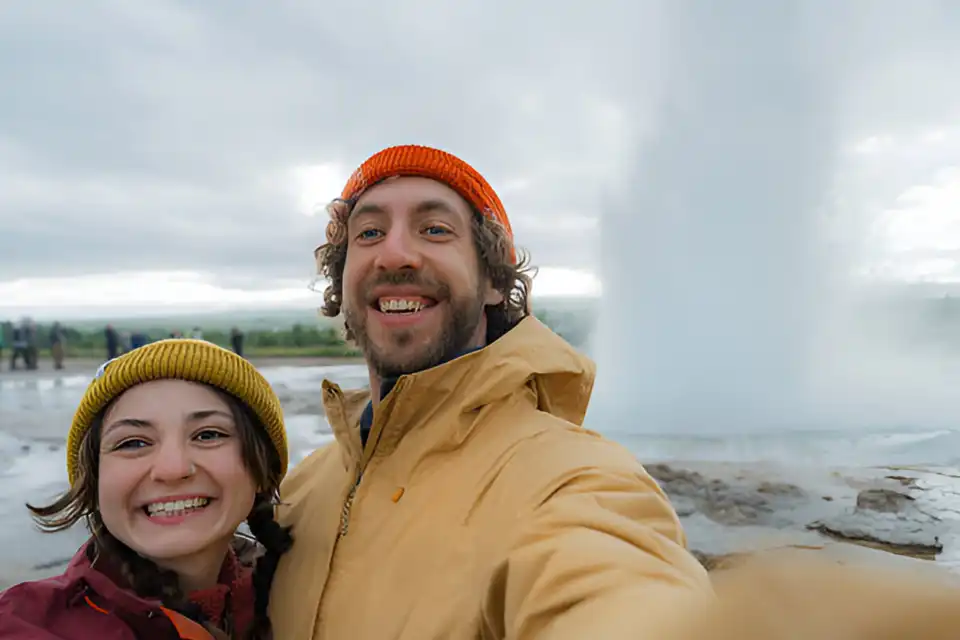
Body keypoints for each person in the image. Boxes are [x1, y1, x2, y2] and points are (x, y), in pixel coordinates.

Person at [269, 145, 711, 639]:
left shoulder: (570, 479)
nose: (393, 254)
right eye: (369, 233)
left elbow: (624, 591)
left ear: (494, 282)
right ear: (342, 277)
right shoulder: (300, 489)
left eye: (435, 229)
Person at [0, 339, 293, 639]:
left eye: (208, 435)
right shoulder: (22, 624)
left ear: (263, 468)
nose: (172, 469)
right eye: (133, 443)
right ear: (94, 480)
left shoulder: (301, 594)